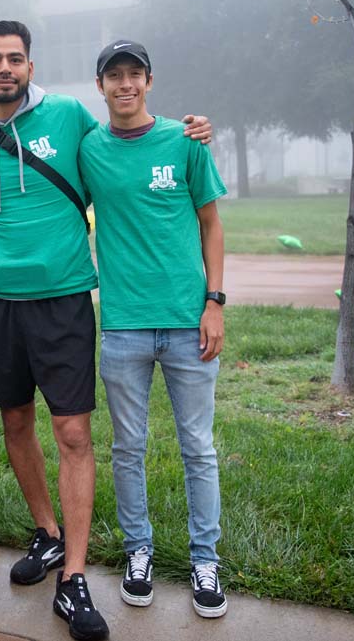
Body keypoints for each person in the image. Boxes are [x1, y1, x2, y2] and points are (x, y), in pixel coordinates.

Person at [0, 20, 212, 641]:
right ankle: (47, 533)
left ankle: (73, 579)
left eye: (16, 58)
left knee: (72, 432)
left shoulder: (70, 117)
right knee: (15, 422)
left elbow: (133, 142)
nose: (6, 68)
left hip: (65, 300)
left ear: (31, 67)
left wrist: (191, 133)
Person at [79, 41, 228, 618]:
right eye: (113, 75)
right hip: (123, 327)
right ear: (100, 85)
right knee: (128, 448)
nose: (124, 84)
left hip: (190, 323)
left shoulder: (185, 142)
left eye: (133, 74)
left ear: (148, 80)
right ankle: (138, 551)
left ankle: (205, 560)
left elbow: (211, 225)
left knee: (198, 447)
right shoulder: (89, 150)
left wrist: (215, 302)